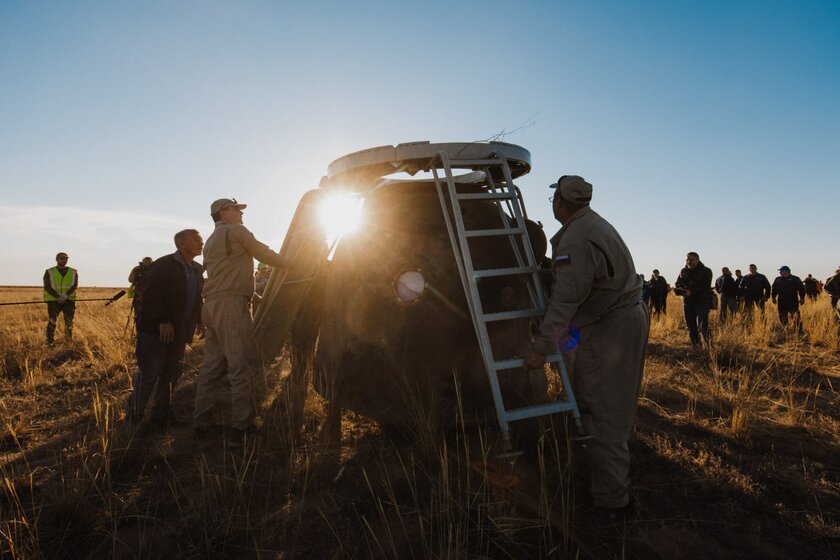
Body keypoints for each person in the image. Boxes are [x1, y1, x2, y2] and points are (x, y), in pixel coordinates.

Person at [523, 175, 648, 522]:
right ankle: (603, 480)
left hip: (611, 327)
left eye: (554, 199)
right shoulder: (592, 225)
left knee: (603, 410)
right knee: (603, 402)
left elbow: (566, 301)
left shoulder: (576, 240)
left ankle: (613, 505)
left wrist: (541, 347)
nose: (552, 204)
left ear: (561, 202)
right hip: (615, 319)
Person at [193, 198, 291, 448]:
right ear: (223, 212)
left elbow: (226, 272)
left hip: (212, 305)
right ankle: (242, 427)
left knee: (212, 366)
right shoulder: (237, 231)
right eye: (236, 209)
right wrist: (294, 264)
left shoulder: (212, 240)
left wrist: (253, 295)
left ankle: (201, 423)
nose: (241, 213)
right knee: (240, 366)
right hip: (230, 307)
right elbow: (263, 253)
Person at [125, 231, 204, 430]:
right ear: (180, 243)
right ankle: (133, 418)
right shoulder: (163, 265)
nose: (200, 243)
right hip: (155, 331)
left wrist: (200, 321)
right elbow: (151, 295)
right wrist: (163, 320)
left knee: (172, 373)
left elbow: (196, 299)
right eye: (196, 239)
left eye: (201, 240)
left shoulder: (197, 269)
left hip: (180, 332)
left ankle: (161, 416)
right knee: (150, 373)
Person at [674, 252, 713, 347]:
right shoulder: (683, 271)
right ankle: (696, 346)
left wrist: (691, 292)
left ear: (697, 260)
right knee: (690, 326)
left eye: (691, 259)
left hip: (702, 303)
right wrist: (680, 290)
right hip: (687, 303)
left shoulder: (706, 271)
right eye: (687, 259)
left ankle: (708, 347)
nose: (688, 261)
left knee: (702, 326)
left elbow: (705, 287)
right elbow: (678, 283)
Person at [43, 252, 78, 344]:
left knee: (69, 322)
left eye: (66, 258)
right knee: (52, 321)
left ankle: (68, 341)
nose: (64, 260)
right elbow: (47, 286)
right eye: (62, 258)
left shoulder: (73, 272)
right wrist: (57, 297)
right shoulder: (49, 271)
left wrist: (66, 295)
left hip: (69, 300)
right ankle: (49, 342)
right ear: (57, 259)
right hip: (53, 301)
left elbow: (74, 285)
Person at [771, 265, 805, 332]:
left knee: (795, 316)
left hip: (793, 300)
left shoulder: (795, 279)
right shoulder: (778, 279)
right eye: (780, 271)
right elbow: (774, 289)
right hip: (781, 301)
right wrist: (773, 297)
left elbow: (802, 289)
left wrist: (802, 298)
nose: (780, 272)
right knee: (782, 316)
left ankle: (798, 330)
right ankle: (785, 329)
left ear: (787, 271)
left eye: (781, 271)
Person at [128, 257, 154, 323]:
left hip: (141, 297)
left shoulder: (137, 269)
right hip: (144, 297)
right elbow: (130, 280)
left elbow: (130, 280)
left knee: (139, 317)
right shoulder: (155, 268)